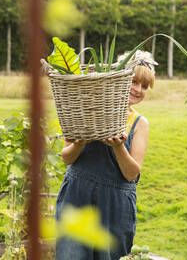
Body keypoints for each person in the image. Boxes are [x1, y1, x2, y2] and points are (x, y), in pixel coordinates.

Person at [55, 51, 157, 260]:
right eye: (133, 81)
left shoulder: (139, 124)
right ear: (117, 79)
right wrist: (79, 143)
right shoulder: (86, 109)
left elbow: (131, 174)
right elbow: (66, 158)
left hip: (115, 203)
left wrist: (118, 147)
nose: (138, 89)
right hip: (77, 197)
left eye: (144, 86)